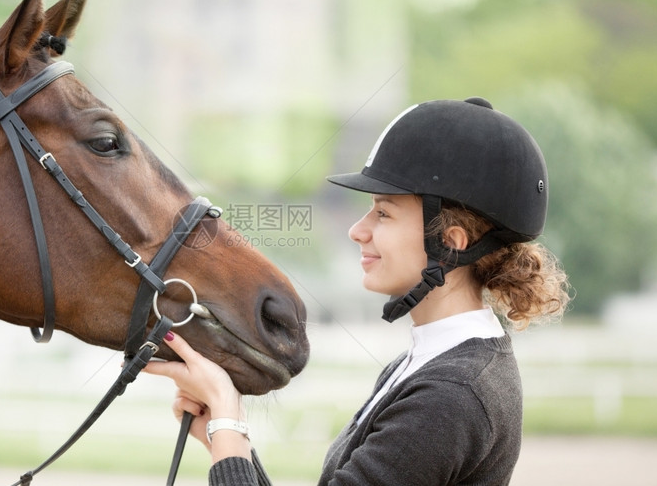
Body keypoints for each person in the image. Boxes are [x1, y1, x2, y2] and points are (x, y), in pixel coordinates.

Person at [143, 97, 571, 485]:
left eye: (383, 214)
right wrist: (226, 434)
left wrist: (225, 415)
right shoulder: (435, 364)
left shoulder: (449, 396)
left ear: (451, 242)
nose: (357, 231)